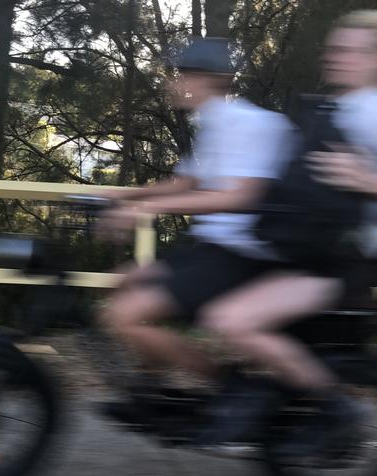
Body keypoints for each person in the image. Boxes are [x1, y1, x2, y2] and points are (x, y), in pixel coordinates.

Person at [189, 9, 377, 444]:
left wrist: (371, 181)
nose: (336, 55)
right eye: (335, 47)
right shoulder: (332, 107)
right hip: (304, 249)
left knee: (233, 320)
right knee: (210, 295)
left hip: (345, 263)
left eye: (352, 50)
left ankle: (337, 410)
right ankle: (253, 400)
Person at [97, 38, 295, 383]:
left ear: (213, 80)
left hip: (242, 253)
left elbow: (238, 198)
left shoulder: (248, 124)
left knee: (123, 317)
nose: (172, 83)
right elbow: (185, 183)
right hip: (211, 246)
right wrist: (121, 196)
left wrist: (144, 208)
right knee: (127, 281)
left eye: (184, 75)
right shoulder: (213, 125)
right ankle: (153, 387)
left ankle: (225, 384)